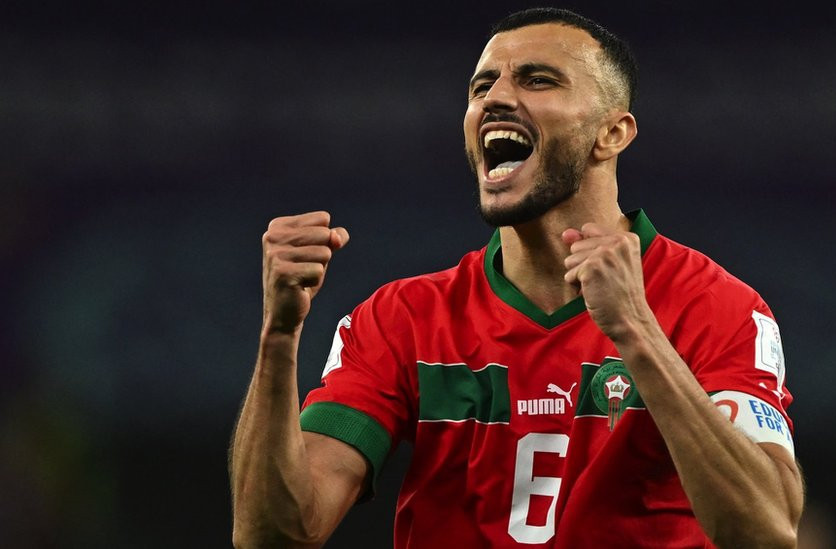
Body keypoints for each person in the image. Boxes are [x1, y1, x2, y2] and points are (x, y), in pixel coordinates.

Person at [230, 7, 803, 548]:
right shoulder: (401, 319)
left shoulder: (716, 306)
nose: (496, 98)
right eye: (481, 87)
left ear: (613, 132)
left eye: (538, 80)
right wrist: (278, 338)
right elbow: (275, 536)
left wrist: (637, 331)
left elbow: (767, 530)